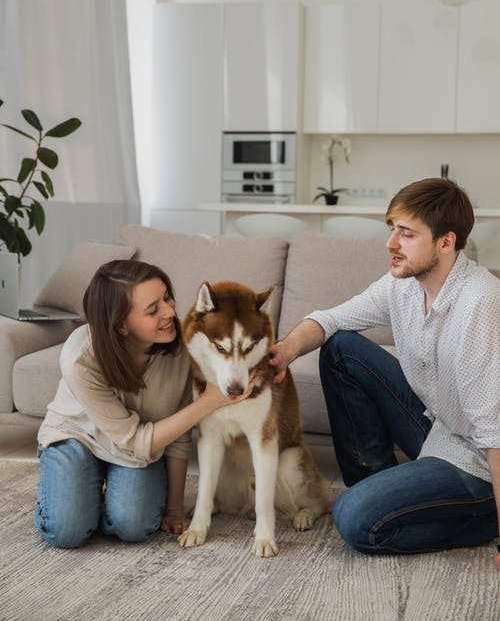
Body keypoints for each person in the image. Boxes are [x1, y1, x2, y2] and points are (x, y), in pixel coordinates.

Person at [269, 178, 500, 571]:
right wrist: (284, 352)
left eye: (406, 234)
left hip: (476, 457)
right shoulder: (404, 285)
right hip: (439, 426)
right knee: (341, 348)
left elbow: (494, 433)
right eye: (392, 229)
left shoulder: (480, 302)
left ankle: (481, 519)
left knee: (354, 519)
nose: (390, 244)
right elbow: (331, 319)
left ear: (446, 243)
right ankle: (381, 488)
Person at [34, 259, 252, 549]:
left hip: (141, 449)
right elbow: (133, 438)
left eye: (167, 298)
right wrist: (210, 402)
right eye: (153, 310)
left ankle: (97, 491)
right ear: (121, 325)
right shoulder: (80, 359)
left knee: (135, 525)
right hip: (79, 437)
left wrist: (174, 509)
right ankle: (76, 486)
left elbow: (178, 435)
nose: (170, 311)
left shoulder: (183, 349)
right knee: (66, 531)